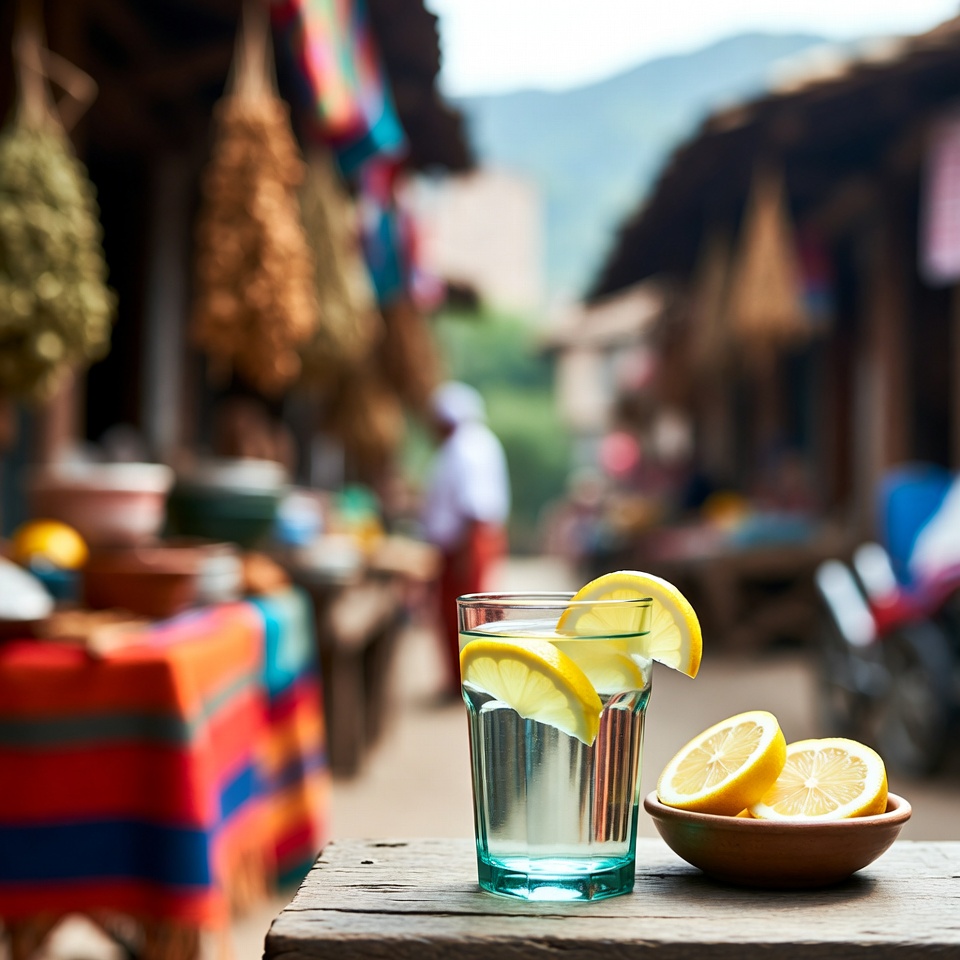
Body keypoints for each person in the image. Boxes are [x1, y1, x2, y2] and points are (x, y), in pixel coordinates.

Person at [421, 381, 511, 698]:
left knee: (466, 613)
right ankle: (465, 679)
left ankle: (473, 681)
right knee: (460, 613)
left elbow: (474, 505)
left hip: (466, 542)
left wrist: (466, 553)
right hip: (464, 541)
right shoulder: (473, 443)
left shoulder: (466, 447)